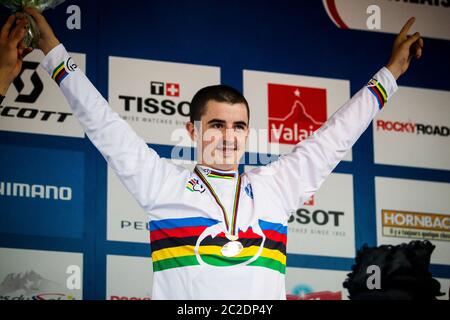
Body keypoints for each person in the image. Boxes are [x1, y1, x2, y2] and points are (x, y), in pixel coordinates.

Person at [0, 8, 423, 299]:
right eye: (216, 125)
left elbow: (337, 134)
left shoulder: (276, 186)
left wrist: (393, 72)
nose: (229, 136)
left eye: (239, 126)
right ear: (192, 130)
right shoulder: (162, 181)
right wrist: (54, 48)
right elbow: (102, 122)